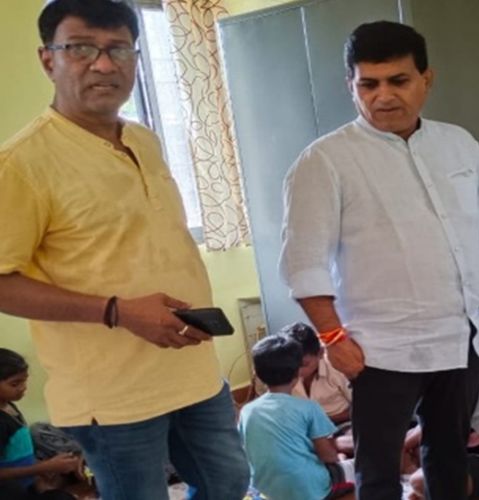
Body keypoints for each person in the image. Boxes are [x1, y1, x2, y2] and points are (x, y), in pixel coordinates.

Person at [0, 1, 249, 499]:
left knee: (228, 482)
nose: (103, 64)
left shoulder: (143, 139)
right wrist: (117, 311)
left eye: (118, 49)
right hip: (113, 396)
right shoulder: (22, 163)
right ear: (48, 59)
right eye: (81, 49)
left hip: (194, 372)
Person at [279, 20, 479, 500]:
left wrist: (476, 297)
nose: (383, 96)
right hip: (380, 349)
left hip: (460, 337)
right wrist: (333, 338)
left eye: (398, 81)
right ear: (351, 85)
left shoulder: (460, 144)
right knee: (378, 469)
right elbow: (303, 262)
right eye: (369, 84)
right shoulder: (325, 161)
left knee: (449, 454)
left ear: (427, 79)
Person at [239, 336, 354, 500]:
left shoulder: (246, 411)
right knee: (356, 467)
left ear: (257, 374)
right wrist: (337, 459)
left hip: (267, 490)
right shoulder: (309, 408)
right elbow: (327, 456)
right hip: (311, 490)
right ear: (297, 373)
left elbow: (246, 450)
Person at [0, 349, 80, 500]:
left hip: (28, 482)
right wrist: (42, 468)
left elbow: (16, 453)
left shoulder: (8, 406)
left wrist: (42, 466)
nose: (23, 387)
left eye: (24, 381)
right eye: (15, 384)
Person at [281, 322, 352, 425]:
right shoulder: (283, 370)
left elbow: (361, 407)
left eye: (304, 364)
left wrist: (324, 421)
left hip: (341, 424)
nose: (298, 371)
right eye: (292, 364)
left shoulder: (336, 367)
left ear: (320, 353)